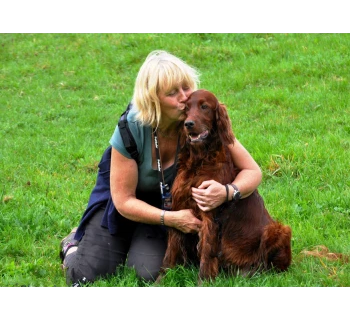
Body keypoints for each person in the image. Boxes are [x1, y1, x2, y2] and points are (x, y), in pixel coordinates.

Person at [59, 50, 262, 285]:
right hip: (118, 207)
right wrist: (174, 219)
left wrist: (227, 192)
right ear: (153, 98)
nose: (185, 97)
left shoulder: (197, 124)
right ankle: (73, 243)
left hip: (162, 208)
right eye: (172, 93)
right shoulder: (131, 127)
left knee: (147, 271)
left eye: (186, 87)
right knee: (86, 274)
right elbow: (123, 201)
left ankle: (135, 242)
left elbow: (253, 171)